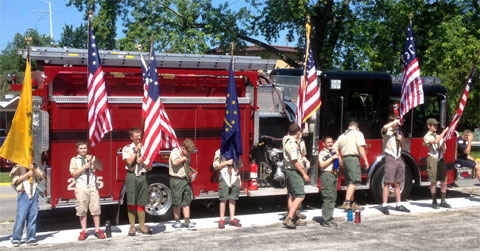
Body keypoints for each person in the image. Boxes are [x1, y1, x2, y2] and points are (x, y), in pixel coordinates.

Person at [69, 140, 105, 240]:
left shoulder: (92, 158)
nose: (83, 150)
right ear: (77, 149)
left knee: (95, 208)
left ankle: (97, 229)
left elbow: (100, 168)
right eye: (81, 148)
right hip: (81, 186)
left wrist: (93, 161)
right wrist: (83, 167)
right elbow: (74, 174)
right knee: (81, 208)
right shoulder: (74, 160)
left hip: (92, 185)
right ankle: (84, 230)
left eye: (85, 148)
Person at [122, 127, 152, 236]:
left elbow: (150, 168)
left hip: (142, 176)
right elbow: (129, 162)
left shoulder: (146, 149)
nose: (138, 138)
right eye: (136, 136)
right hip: (131, 176)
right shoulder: (127, 148)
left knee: (141, 201)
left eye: (140, 136)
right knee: (131, 201)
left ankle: (142, 226)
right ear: (131, 137)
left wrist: (142, 162)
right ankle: (132, 227)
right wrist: (135, 151)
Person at [333, 121, 369, 211]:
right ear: (357, 128)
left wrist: (339, 158)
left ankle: (352, 203)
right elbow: (360, 147)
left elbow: (334, 147)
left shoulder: (343, 135)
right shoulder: (358, 133)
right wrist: (365, 160)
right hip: (353, 159)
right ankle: (347, 202)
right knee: (354, 181)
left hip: (345, 159)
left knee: (349, 182)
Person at [379, 114, 410, 215]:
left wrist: (402, 140)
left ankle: (398, 204)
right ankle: (384, 205)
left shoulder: (399, 132)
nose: (398, 124)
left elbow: (405, 148)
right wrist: (393, 122)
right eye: (396, 122)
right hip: (390, 157)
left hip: (399, 157)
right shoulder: (387, 132)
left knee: (398, 183)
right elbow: (383, 128)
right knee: (387, 182)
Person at [282, 123, 309, 229]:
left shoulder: (286, 139)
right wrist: (304, 174)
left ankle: (294, 218)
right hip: (294, 171)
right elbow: (295, 160)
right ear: (298, 132)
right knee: (300, 195)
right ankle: (289, 218)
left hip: (290, 171)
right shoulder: (292, 144)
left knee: (292, 195)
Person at [10, 163, 43, 247]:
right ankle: (16, 238)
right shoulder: (17, 168)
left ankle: (31, 237)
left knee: (32, 217)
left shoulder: (35, 166)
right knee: (21, 217)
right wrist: (27, 174)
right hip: (23, 193)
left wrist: (33, 170)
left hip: (34, 193)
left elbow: (40, 177)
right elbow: (15, 181)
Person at [169, 138, 197, 229]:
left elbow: (186, 165)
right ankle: (177, 221)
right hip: (176, 180)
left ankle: (187, 221)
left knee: (186, 201)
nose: (189, 154)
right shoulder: (175, 151)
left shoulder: (186, 155)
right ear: (183, 148)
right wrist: (183, 158)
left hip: (185, 180)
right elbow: (175, 162)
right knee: (177, 202)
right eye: (188, 152)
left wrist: (189, 173)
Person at [423, 118, 451, 209]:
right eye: (433, 125)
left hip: (441, 159)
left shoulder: (439, 135)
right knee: (433, 181)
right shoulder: (427, 136)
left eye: (436, 125)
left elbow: (444, 149)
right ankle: (434, 201)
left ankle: (443, 201)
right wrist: (444, 132)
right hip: (433, 159)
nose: (436, 126)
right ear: (428, 126)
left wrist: (442, 146)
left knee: (444, 181)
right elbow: (434, 141)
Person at [212, 149, 242, 229]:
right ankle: (222, 220)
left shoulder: (236, 151)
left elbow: (238, 166)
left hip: (234, 176)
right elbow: (215, 166)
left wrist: (240, 179)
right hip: (224, 175)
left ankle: (232, 219)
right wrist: (226, 162)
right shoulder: (220, 151)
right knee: (223, 198)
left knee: (233, 198)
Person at [318, 136, 340, 227]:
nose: (331, 144)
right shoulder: (322, 153)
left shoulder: (334, 152)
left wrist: (338, 155)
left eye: (331, 142)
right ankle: (326, 220)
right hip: (327, 175)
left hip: (334, 174)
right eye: (328, 142)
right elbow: (322, 165)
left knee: (333, 197)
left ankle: (329, 217)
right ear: (324, 144)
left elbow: (341, 164)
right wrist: (331, 158)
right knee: (328, 197)